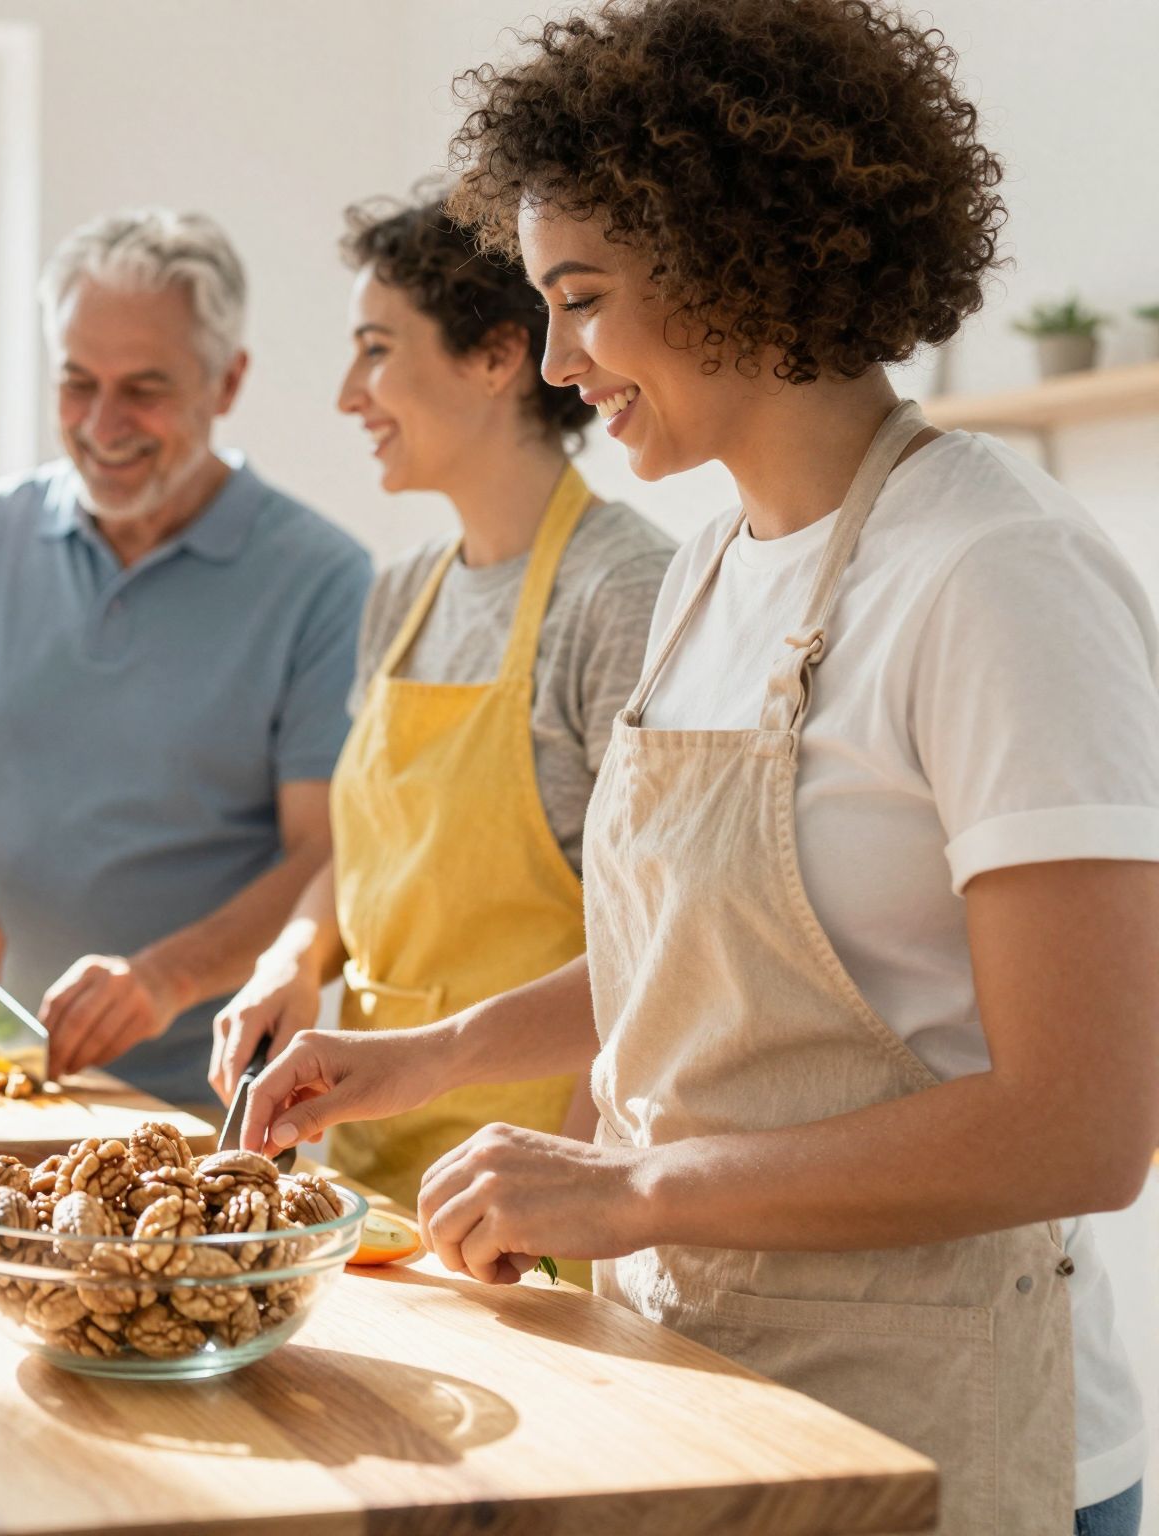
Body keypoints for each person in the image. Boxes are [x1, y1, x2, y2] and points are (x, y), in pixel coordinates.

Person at [244, 4, 1156, 1530]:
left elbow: (1085, 1122)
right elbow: (690, 955)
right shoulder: (709, 571)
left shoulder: (995, 576)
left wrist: (632, 1188)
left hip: (950, 1432)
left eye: (582, 300)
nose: (556, 361)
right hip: (712, 1393)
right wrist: (431, 1056)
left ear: (740, 256)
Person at [209, 198, 671, 1236]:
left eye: (376, 350)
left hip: (534, 1196)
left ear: (497, 356)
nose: (348, 394)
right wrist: (292, 961)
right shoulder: (401, 592)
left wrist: (571, 1204)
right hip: (370, 1171)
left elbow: (652, 941)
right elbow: (368, 853)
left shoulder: (623, 592)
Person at [0, 209, 371, 1107]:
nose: (101, 423)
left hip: (205, 1109)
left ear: (228, 381)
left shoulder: (322, 580)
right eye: (77, 383)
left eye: (144, 389)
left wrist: (162, 979)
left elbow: (327, 856)